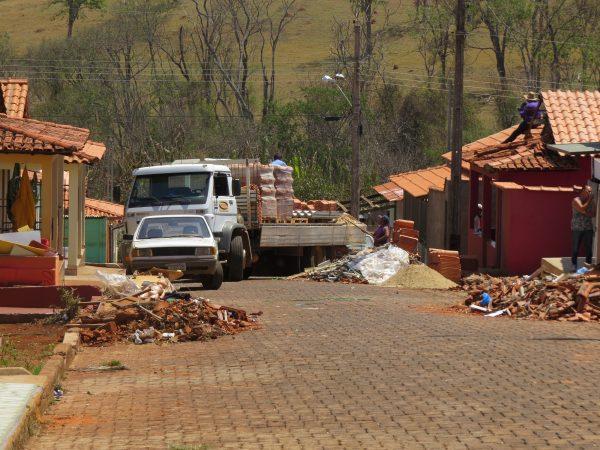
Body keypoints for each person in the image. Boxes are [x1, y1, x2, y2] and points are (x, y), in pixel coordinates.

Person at [571, 185, 595, 270]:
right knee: (575, 248)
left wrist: (586, 211)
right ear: (583, 190)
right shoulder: (576, 200)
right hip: (577, 228)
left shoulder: (590, 201)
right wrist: (589, 200)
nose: (590, 193)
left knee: (589, 248)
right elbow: (581, 208)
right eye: (588, 191)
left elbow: (593, 214)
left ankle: (588, 267)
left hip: (588, 227)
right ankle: (574, 266)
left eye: (590, 191)